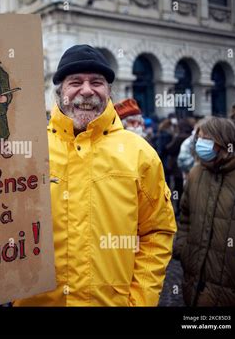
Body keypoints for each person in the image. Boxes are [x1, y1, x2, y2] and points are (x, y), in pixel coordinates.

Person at [14, 44, 176, 306]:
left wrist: (140, 301)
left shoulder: (140, 154)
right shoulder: (28, 151)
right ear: (60, 92)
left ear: (109, 92)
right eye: (75, 82)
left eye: (97, 82)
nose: (87, 90)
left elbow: (157, 232)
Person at [173, 117, 235, 306]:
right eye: (199, 138)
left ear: (224, 141)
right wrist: (183, 248)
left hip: (234, 285)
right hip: (196, 280)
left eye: (206, 139)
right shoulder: (196, 173)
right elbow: (185, 217)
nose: (200, 144)